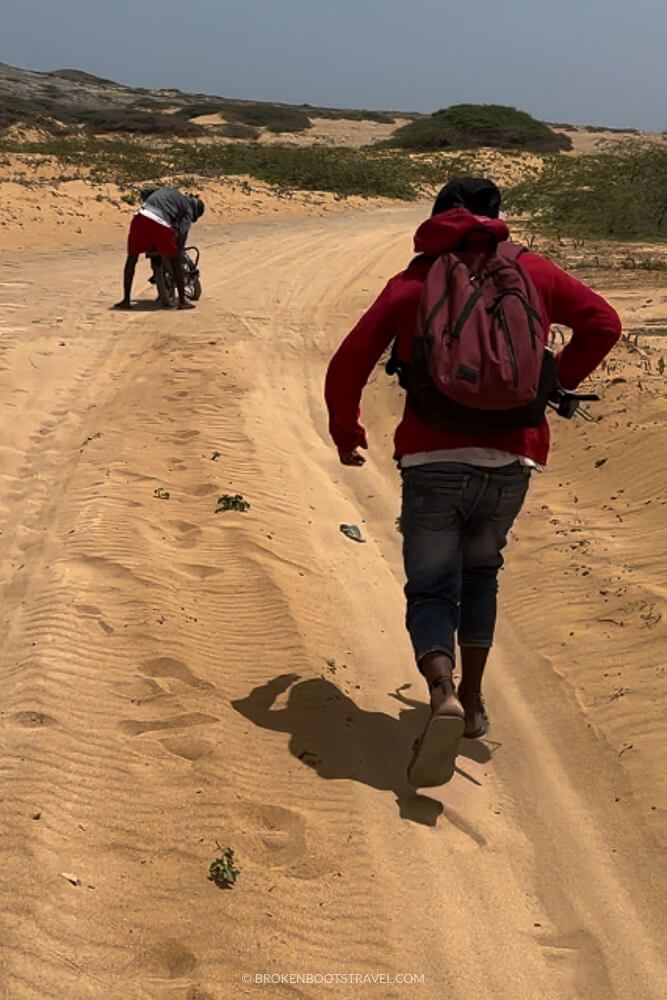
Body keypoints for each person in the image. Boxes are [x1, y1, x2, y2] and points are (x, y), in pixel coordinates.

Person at [324, 177, 621, 788]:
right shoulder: (531, 271)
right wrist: (552, 385)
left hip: (432, 459)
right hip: (513, 457)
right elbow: (603, 322)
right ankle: (477, 700)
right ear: (496, 218)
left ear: (437, 217)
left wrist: (346, 430)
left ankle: (442, 695)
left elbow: (348, 362)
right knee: (482, 572)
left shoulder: (414, 280)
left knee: (432, 587)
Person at [114, 187, 205, 310]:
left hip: (140, 217)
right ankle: (182, 301)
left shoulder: (168, 192)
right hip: (160, 223)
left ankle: (126, 300)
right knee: (175, 258)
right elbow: (182, 232)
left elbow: (146, 194)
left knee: (132, 258)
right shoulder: (188, 208)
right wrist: (178, 248)